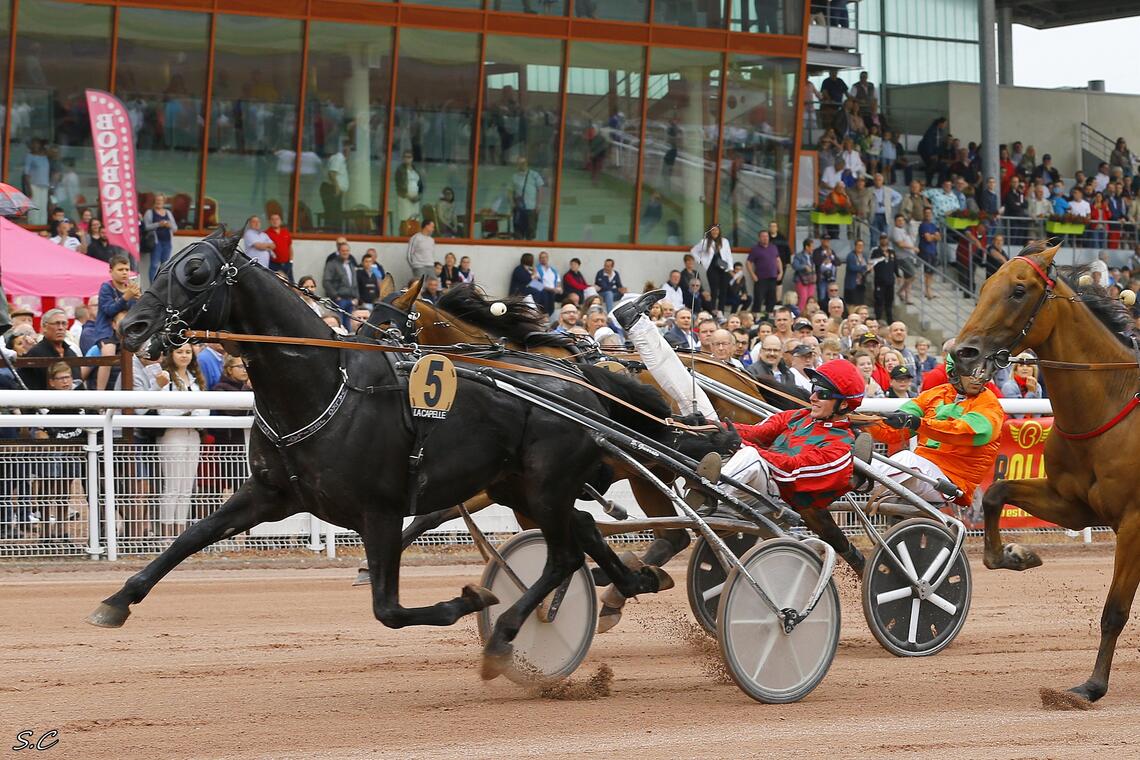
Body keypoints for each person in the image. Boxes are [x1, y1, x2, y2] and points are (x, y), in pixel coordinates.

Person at [868, 351, 1005, 504]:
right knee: (870, 459)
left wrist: (917, 423)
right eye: (971, 373)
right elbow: (892, 431)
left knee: (907, 459)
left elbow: (964, 432)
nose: (977, 379)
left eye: (983, 373)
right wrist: (865, 423)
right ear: (954, 372)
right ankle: (853, 470)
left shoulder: (990, 405)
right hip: (922, 473)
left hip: (952, 483)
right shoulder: (935, 393)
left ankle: (854, 478)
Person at [157, 345, 209, 536]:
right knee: (172, 486)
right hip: (173, 434)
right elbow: (163, 409)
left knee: (187, 487)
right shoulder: (166, 377)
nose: (184, 355)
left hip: (193, 433)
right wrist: (187, 410)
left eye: (187, 352)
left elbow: (205, 408)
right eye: (180, 352)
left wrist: (193, 412)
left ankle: (180, 532)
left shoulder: (196, 379)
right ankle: (166, 533)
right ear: (171, 354)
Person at [691, 224, 733, 314]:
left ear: (719, 231)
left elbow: (728, 255)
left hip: (724, 267)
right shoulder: (705, 241)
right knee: (714, 290)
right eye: (713, 230)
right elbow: (693, 251)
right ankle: (713, 310)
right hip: (711, 268)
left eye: (717, 230)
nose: (715, 232)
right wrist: (700, 261)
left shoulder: (724, 241)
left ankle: (721, 311)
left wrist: (730, 268)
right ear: (710, 232)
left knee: (723, 290)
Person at [321, 241, 358, 330]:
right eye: (343, 251)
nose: (345, 252)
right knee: (338, 324)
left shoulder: (351, 264)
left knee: (348, 326)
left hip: (351, 299)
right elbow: (326, 281)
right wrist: (335, 296)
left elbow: (354, 282)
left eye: (347, 250)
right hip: (339, 300)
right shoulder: (332, 264)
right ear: (339, 251)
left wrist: (357, 297)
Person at [745, 229, 782, 316]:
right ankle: (755, 318)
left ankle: (768, 317)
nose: (765, 238)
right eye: (763, 236)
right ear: (759, 238)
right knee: (758, 299)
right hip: (761, 278)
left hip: (772, 277)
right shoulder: (755, 249)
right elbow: (748, 263)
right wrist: (752, 275)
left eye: (766, 236)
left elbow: (778, 260)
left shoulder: (773, 247)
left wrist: (781, 272)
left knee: (772, 299)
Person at [144, 193, 177, 281]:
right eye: (157, 200)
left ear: (164, 202)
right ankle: (152, 286)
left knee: (165, 266)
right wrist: (159, 224)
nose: (159, 202)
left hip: (167, 243)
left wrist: (169, 225)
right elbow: (146, 227)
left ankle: (162, 285)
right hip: (156, 242)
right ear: (154, 201)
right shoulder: (150, 212)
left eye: (161, 200)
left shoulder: (168, 213)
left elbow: (175, 228)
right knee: (154, 265)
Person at [512, 157, 545, 240]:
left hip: (531, 208)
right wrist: (512, 203)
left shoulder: (534, 175)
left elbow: (540, 189)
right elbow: (511, 191)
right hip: (519, 208)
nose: (521, 165)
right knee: (518, 232)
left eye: (523, 163)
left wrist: (539, 204)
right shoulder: (515, 176)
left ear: (527, 164)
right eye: (519, 163)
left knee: (531, 231)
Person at [868, 234, 897, 324]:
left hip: (890, 281)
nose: (884, 240)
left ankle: (890, 321)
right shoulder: (875, 251)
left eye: (885, 238)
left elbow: (895, 264)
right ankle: (878, 320)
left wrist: (898, 275)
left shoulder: (891, 251)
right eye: (882, 239)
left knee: (889, 301)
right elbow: (870, 262)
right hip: (879, 281)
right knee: (879, 301)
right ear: (880, 240)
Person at [264, 212, 294, 283]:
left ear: (280, 221)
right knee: (273, 283)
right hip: (273, 264)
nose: (275, 221)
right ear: (269, 221)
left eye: (277, 219)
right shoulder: (266, 233)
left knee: (291, 283)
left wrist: (291, 261)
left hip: (287, 264)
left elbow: (289, 247)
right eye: (273, 219)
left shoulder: (285, 232)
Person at [844, 239, 868, 307]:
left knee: (860, 303)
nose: (860, 247)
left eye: (862, 245)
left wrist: (869, 269)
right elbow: (851, 267)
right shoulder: (851, 255)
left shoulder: (864, 256)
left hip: (861, 284)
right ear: (855, 246)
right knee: (852, 304)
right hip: (852, 284)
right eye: (859, 245)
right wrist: (864, 267)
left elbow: (865, 268)